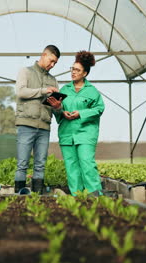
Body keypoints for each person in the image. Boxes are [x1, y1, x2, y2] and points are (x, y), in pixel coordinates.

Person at [47, 51, 105, 196]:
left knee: (87, 164)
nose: (73, 72)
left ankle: (95, 197)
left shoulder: (92, 91)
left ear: (85, 73)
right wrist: (60, 110)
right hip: (67, 134)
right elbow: (55, 110)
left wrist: (81, 113)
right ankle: (77, 198)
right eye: (72, 69)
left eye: (77, 70)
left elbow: (99, 109)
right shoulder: (64, 90)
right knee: (71, 167)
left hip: (86, 134)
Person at [14, 45, 61, 194]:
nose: (52, 65)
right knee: (22, 164)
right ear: (44, 55)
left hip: (44, 127)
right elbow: (21, 92)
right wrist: (43, 90)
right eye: (51, 61)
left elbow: (55, 107)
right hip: (26, 124)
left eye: (55, 63)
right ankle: (19, 197)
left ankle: (37, 198)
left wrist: (58, 106)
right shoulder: (26, 71)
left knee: (40, 164)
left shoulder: (53, 80)